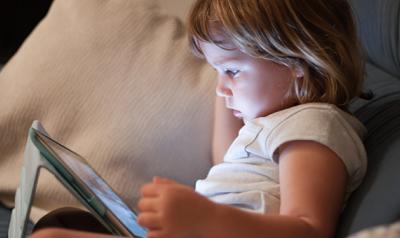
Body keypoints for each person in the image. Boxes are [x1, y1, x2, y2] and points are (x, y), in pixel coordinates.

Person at [29, 0, 370, 237]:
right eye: (216, 71)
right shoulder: (274, 125)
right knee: (61, 225)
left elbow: (310, 228)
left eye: (233, 70)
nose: (221, 87)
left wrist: (208, 218)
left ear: (298, 60)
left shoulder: (314, 124)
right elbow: (223, 159)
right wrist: (230, 86)